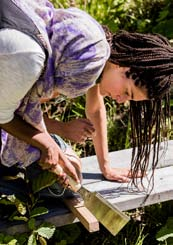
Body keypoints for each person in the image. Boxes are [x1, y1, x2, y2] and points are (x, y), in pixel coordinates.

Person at [0, 0, 172, 193]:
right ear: (122, 67)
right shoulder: (31, 59)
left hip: (6, 105)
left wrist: (106, 167)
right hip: (5, 111)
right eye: (127, 93)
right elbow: (9, 114)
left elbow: (96, 108)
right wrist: (56, 133)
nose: (121, 100)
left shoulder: (92, 53)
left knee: (69, 170)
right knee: (55, 186)